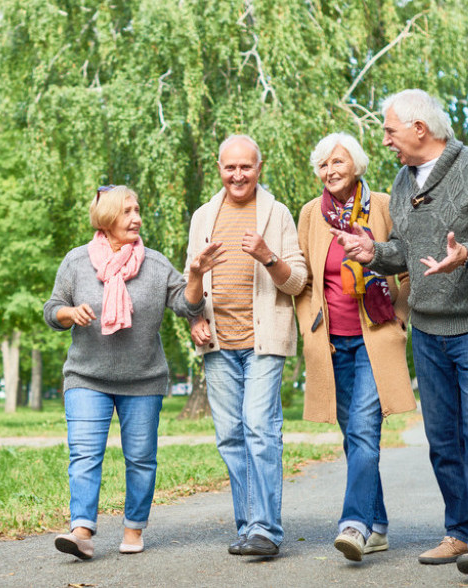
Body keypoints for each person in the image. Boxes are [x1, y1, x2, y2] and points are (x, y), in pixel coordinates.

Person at [333, 89, 468, 579]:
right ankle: (460, 530)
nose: (384, 141)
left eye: (389, 130)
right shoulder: (403, 181)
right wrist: (373, 253)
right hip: (428, 328)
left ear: (419, 129)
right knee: (443, 438)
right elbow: (407, 249)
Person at [44, 185, 222, 560]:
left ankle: (133, 528)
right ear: (107, 218)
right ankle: (81, 532)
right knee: (84, 455)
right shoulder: (77, 262)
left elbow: (186, 306)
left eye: (137, 210)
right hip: (86, 377)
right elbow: (52, 308)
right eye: (127, 211)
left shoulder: (155, 265)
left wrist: (193, 275)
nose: (137, 218)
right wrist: (69, 314)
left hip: (143, 380)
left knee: (140, 457)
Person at [295, 132, 416, 562]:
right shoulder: (311, 214)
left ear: (357, 165)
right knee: (354, 437)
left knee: (364, 430)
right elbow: (306, 277)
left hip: (374, 336)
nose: (330, 171)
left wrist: (399, 315)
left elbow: (407, 263)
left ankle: (354, 524)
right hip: (331, 342)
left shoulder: (382, 205)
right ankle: (378, 523)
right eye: (323, 164)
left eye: (338, 162)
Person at [185, 135, 307, 557]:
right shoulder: (203, 216)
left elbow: (297, 282)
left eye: (246, 167)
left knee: (259, 427)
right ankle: (248, 526)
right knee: (230, 437)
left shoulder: (276, 214)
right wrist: (195, 316)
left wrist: (268, 256)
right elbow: (191, 291)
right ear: (219, 168)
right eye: (229, 167)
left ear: (260, 167)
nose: (237, 175)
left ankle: (266, 530)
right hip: (218, 342)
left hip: (264, 339)